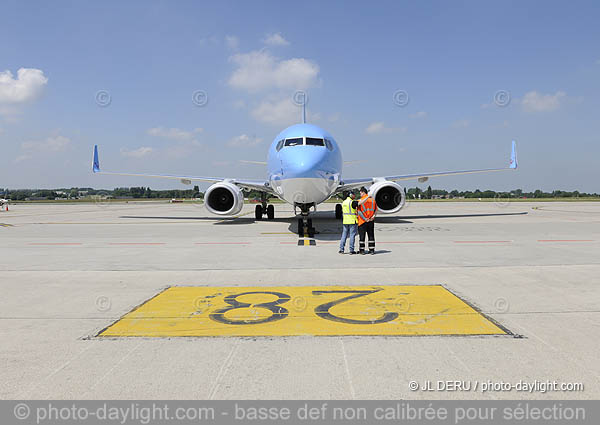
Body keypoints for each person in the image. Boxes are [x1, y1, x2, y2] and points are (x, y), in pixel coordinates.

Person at [356, 186, 377, 255]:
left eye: (360, 193)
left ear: (363, 192)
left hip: (363, 221)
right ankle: (372, 250)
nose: (360, 194)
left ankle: (362, 250)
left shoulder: (360, 201)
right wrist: (373, 217)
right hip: (371, 220)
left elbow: (359, 212)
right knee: (371, 235)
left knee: (362, 236)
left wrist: (365, 219)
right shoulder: (373, 200)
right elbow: (375, 210)